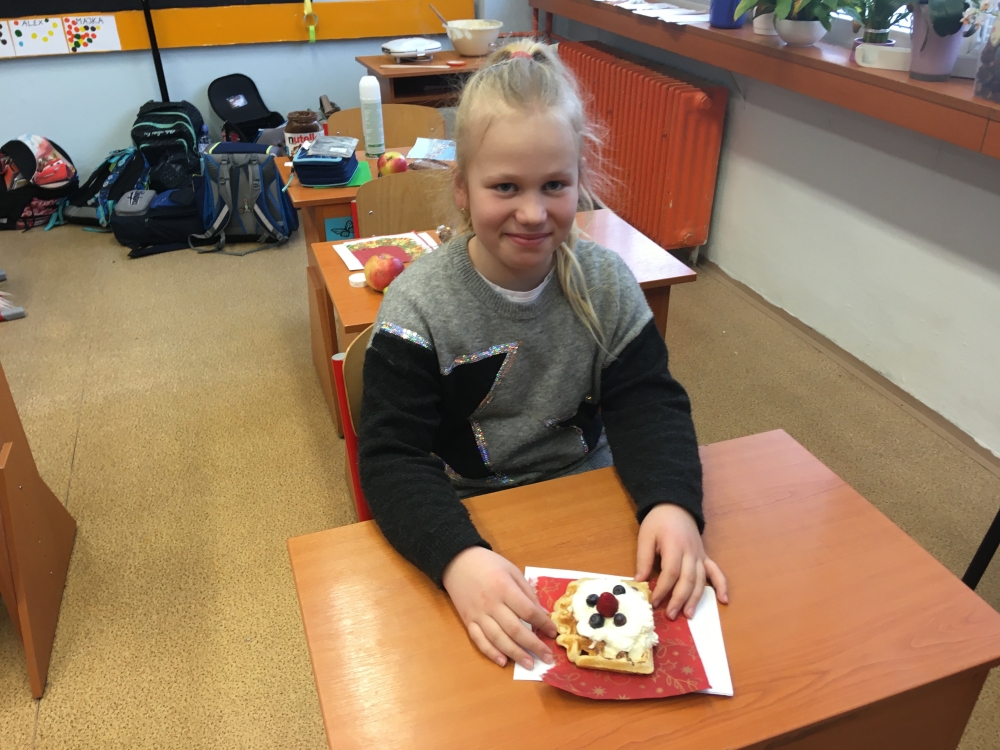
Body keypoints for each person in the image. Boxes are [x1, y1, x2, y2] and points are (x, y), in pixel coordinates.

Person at [358, 41, 728, 672]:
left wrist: (671, 502)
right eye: (505, 186)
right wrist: (457, 558)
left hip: (596, 501)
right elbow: (392, 457)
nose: (532, 213)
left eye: (554, 185)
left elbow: (648, 403)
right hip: (466, 519)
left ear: (579, 181)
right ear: (462, 189)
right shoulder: (417, 307)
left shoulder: (606, 283)